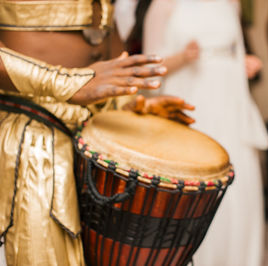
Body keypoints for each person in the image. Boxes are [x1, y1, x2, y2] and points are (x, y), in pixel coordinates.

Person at [0, 0, 195, 264]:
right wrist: (68, 83)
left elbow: (106, 50)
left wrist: (131, 104)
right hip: (31, 132)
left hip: (93, 129)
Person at [143, 0, 268, 265]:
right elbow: (147, 73)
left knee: (236, 180)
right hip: (189, 102)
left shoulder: (231, 3)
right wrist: (182, 57)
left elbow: (235, 50)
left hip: (230, 103)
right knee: (194, 185)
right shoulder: (163, 5)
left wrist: (246, 63)